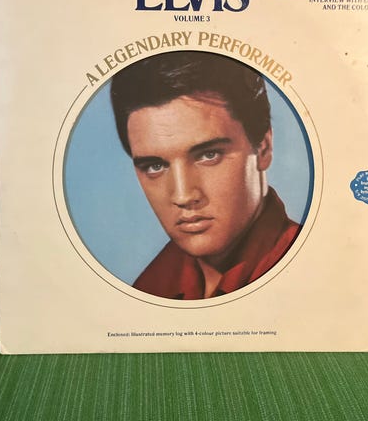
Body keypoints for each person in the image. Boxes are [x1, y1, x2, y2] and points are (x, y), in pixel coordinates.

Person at [110, 51, 300, 300]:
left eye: (209, 155)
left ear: (263, 148)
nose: (183, 196)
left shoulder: (309, 272)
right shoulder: (149, 288)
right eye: (155, 166)